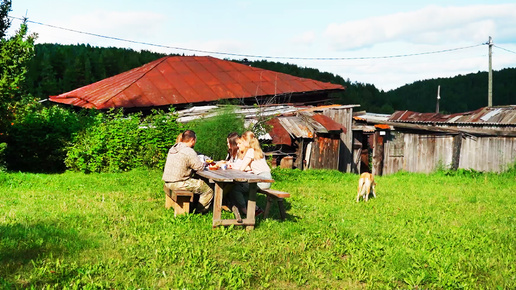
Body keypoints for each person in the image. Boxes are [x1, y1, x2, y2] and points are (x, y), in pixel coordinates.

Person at [162, 130, 213, 213]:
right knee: (207, 188)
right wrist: (206, 163)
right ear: (192, 140)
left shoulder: (174, 147)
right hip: (178, 183)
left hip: (168, 181)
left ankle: (193, 205)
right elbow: (199, 167)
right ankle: (200, 211)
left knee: (197, 183)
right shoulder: (189, 151)